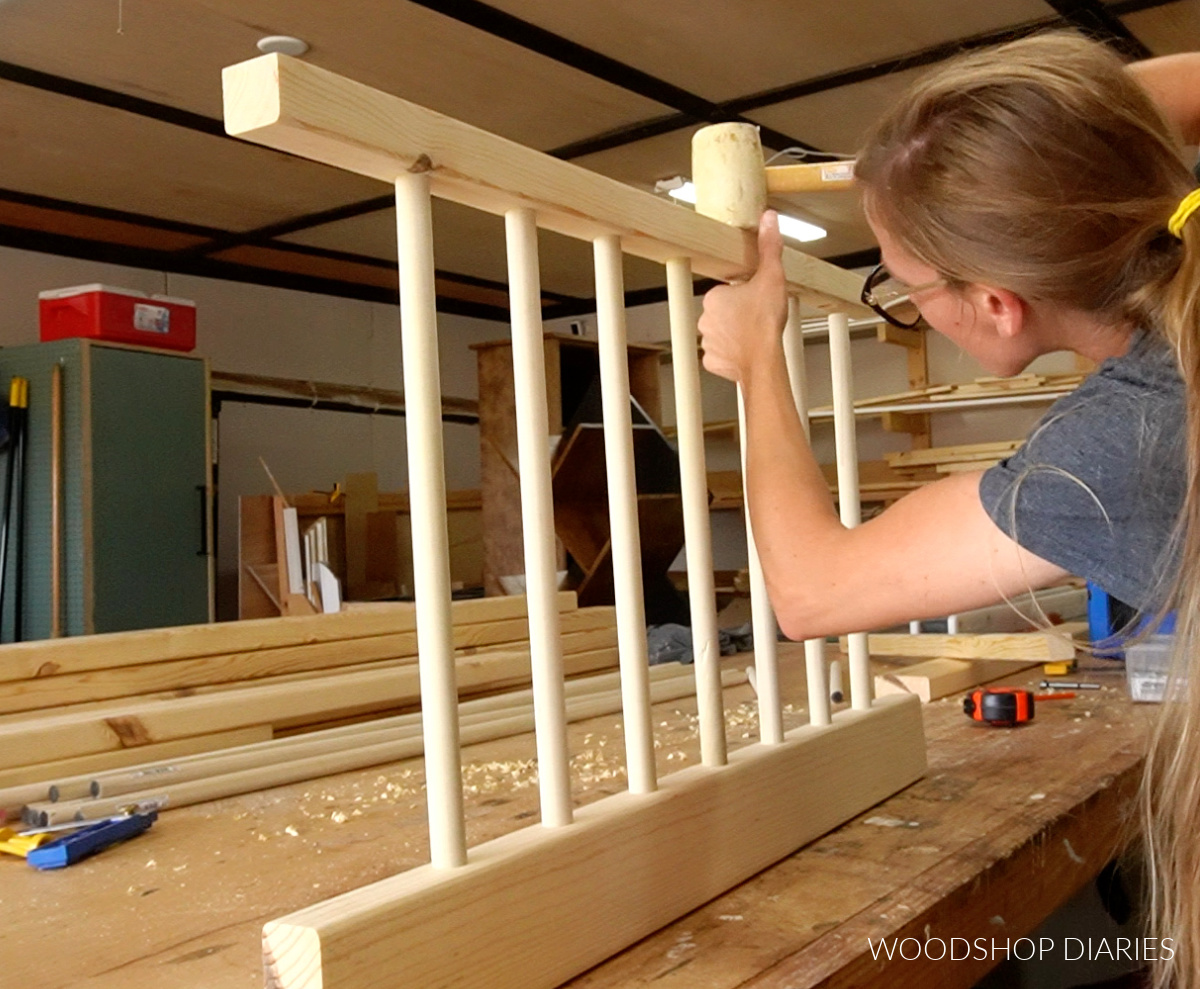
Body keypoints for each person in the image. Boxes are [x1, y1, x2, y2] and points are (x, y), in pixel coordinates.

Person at [696, 33, 1200, 989]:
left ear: (999, 304)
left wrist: (759, 357)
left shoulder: (1121, 443)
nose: (911, 305)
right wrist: (1036, 134)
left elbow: (812, 589)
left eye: (904, 286)